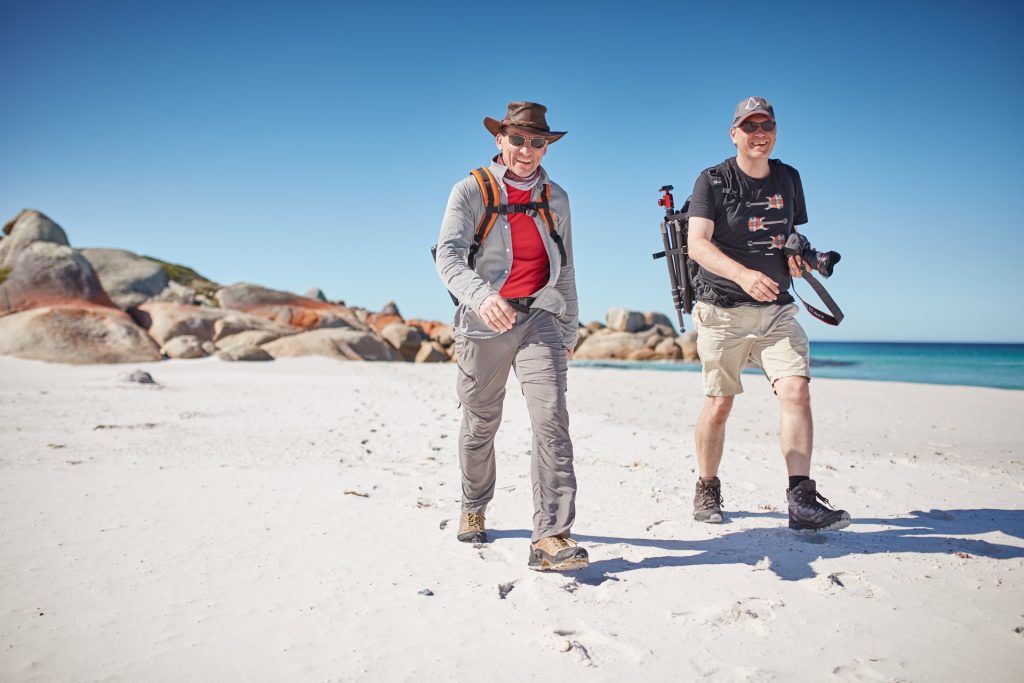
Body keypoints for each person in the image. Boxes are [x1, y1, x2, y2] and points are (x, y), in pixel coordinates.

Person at [685, 96, 850, 532]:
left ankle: (801, 501)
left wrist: (802, 257)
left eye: (767, 126)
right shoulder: (713, 181)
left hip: (777, 311)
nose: (760, 134)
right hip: (722, 310)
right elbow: (697, 244)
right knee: (719, 404)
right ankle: (707, 485)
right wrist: (742, 275)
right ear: (734, 133)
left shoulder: (789, 178)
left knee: (796, 392)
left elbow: (789, 231)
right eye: (750, 126)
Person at [434, 101, 587, 570]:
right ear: (499, 140)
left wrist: (569, 329)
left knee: (552, 420)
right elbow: (448, 257)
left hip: (539, 317)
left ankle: (551, 536)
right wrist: (482, 297)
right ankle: (474, 507)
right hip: (482, 323)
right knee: (481, 422)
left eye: (536, 141)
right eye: (517, 139)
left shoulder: (556, 198)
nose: (526, 149)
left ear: (546, 146)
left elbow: (565, 268)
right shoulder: (470, 190)